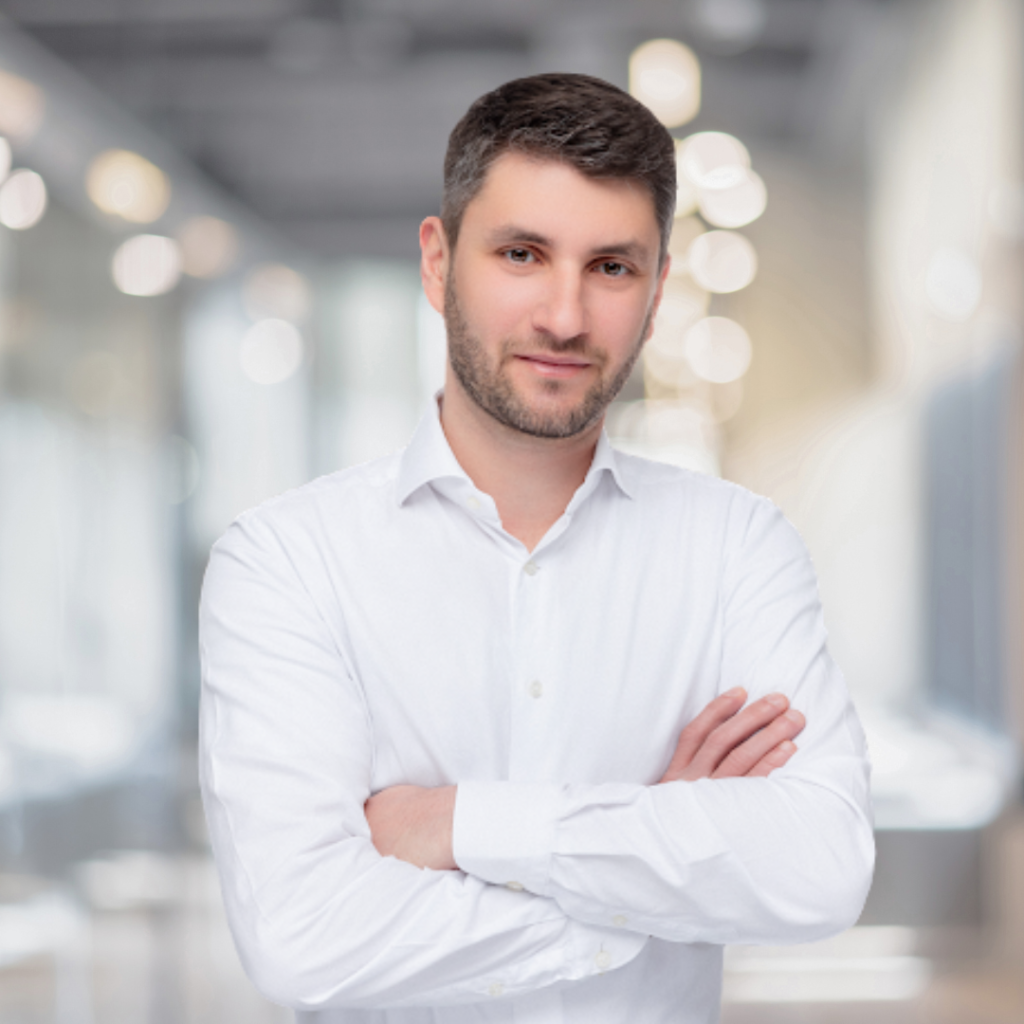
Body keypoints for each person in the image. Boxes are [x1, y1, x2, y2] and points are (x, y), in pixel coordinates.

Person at [199, 73, 874, 1023]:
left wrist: (455, 825)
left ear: (658, 289)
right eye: (522, 254)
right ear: (438, 264)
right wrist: (651, 867)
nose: (565, 316)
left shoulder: (737, 547)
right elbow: (303, 936)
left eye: (611, 267)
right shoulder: (286, 563)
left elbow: (819, 870)